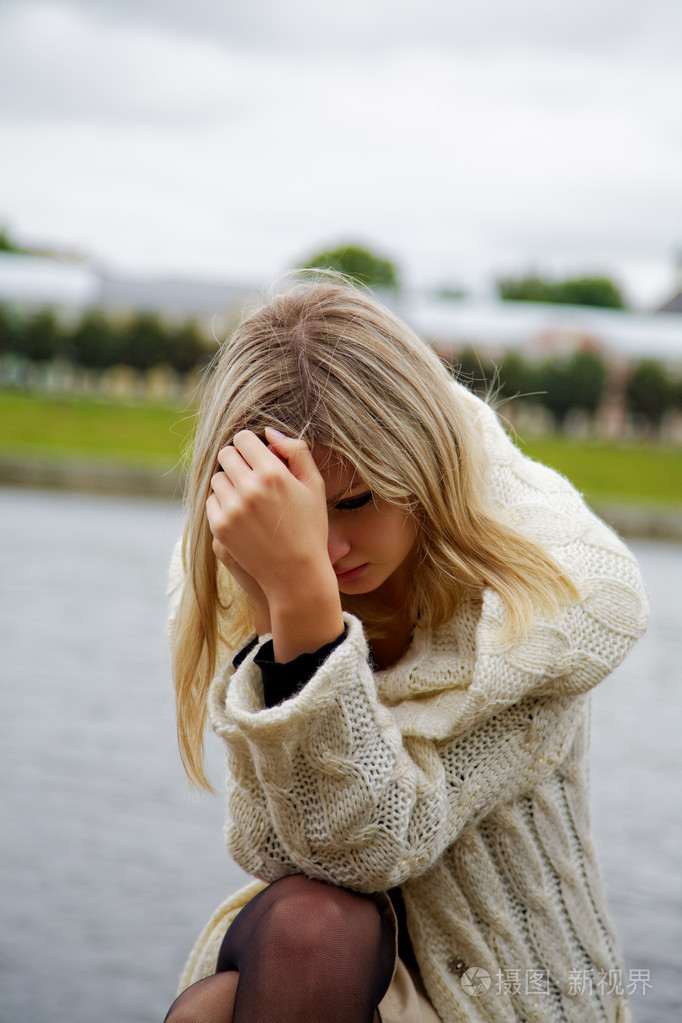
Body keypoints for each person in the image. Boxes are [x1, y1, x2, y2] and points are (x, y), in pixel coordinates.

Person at [164, 276, 648, 1023]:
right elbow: (272, 844)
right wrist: (282, 600)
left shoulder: (552, 592)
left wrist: (302, 604)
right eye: (302, 521)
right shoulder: (244, 554)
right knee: (297, 941)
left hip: (509, 998)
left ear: (418, 463)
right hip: (337, 966)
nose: (327, 549)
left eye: (355, 502)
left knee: (253, 979)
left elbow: (372, 845)